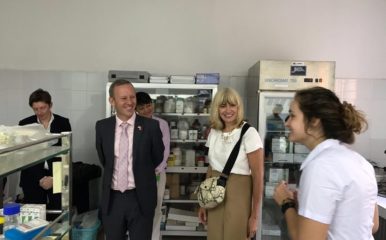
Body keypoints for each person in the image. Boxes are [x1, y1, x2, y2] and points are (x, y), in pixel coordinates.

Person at [273, 86, 379, 240]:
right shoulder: (360, 161)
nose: (287, 123)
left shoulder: (321, 167)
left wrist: (286, 202)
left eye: (292, 115)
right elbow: (372, 225)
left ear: (314, 120)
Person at [95, 79, 164, 240]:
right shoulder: (102, 127)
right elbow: (104, 159)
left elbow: (157, 157)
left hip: (141, 198)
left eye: (132, 97)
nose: (130, 102)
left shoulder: (151, 127)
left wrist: (141, 171)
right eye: (123, 98)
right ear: (112, 101)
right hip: (113, 199)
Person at [198, 87, 264, 240]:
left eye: (232, 105)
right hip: (214, 192)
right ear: (217, 109)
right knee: (215, 235)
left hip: (239, 194)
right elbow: (211, 167)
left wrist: (254, 216)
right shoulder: (214, 132)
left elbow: (258, 177)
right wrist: (203, 203)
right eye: (223, 106)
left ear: (238, 107)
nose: (228, 110)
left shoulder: (249, 133)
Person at [18, 88, 71, 218]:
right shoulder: (24, 124)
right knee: (34, 217)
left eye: (43, 108)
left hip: (57, 175)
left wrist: (54, 178)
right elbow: (25, 155)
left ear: (50, 105)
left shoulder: (63, 122)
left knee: (58, 215)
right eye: (35, 109)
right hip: (32, 176)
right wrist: (40, 178)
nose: (40, 112)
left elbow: (66, 153)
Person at [135, 91, 170, 240]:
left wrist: (155, 171)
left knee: (155, 209)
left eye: (148, 105)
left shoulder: (161, 124)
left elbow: (165, 150)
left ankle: (154, 237)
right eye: (141, 108)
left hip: (156, 174)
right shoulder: (133, 124)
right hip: (135, 175)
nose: (146, 110)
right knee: (136, 210)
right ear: (135, 109)